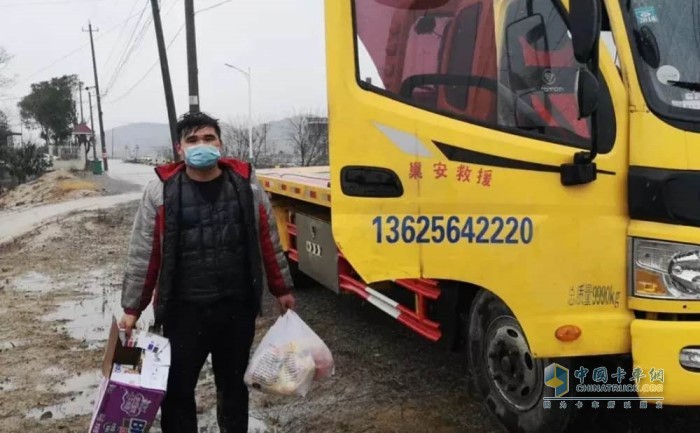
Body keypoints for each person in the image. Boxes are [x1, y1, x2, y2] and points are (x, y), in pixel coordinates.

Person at [118, 111, 296, 433]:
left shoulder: (245, 185)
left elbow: (268, 239)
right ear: (180, 148)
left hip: (235, 310)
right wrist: (133, 308)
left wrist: (282, 289)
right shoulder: (161, 191)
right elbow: (145, 253)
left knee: (233, 388)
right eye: (193, 140)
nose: (202, 145)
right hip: (184, 313)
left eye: (208, 138)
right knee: (178, 391)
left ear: (220, 143)